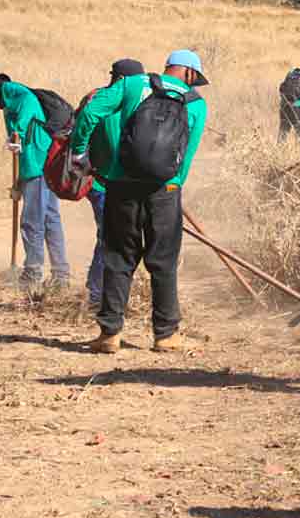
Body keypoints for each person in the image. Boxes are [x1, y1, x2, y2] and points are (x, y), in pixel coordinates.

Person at [69, 50, 209, 354]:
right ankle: (166, 334)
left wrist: (80, 153)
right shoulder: (197, 103)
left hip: (121, 184)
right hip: (165, 191)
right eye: (194, 77)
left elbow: (91, 113)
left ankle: (109, 334)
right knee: (163, 261)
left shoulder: (133, 84)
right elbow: (187, 156)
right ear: (187, 72)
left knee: (119, 257)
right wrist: (173, 184)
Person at [0, 71, 70, 291]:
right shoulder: (6, 102)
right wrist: (18, 184)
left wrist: (18, 132)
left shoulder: (12, 91)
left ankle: (32, 273)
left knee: (32, 221)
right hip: (38, 165)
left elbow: (28, 102)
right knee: (50, 218)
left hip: (38, 165)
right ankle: (61, 275)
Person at [75, 58, 146, 311]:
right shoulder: (117, 102)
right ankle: (97, 295)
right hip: (110, 183)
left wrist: (79, 155)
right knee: (111, 237)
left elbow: (80, 126)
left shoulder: (95, 98)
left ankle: (103, 291)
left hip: (103, 181)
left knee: (111, 236)